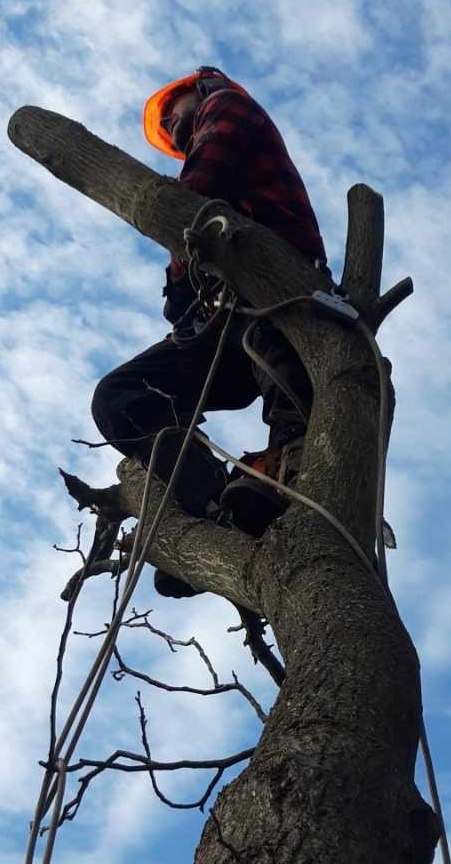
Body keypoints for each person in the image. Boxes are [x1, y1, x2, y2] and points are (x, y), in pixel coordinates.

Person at [90, 68, 327, 587]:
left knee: (265, 333)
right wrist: (187, 299)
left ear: (200, 89)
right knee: (121, 398)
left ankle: (293, 451)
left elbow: (196, 191)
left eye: (174, 118)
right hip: (227, 317)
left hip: (276, 280)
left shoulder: (228, 108)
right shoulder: (208, 124)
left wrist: (179, 270)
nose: (174, 133)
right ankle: (214, 506)